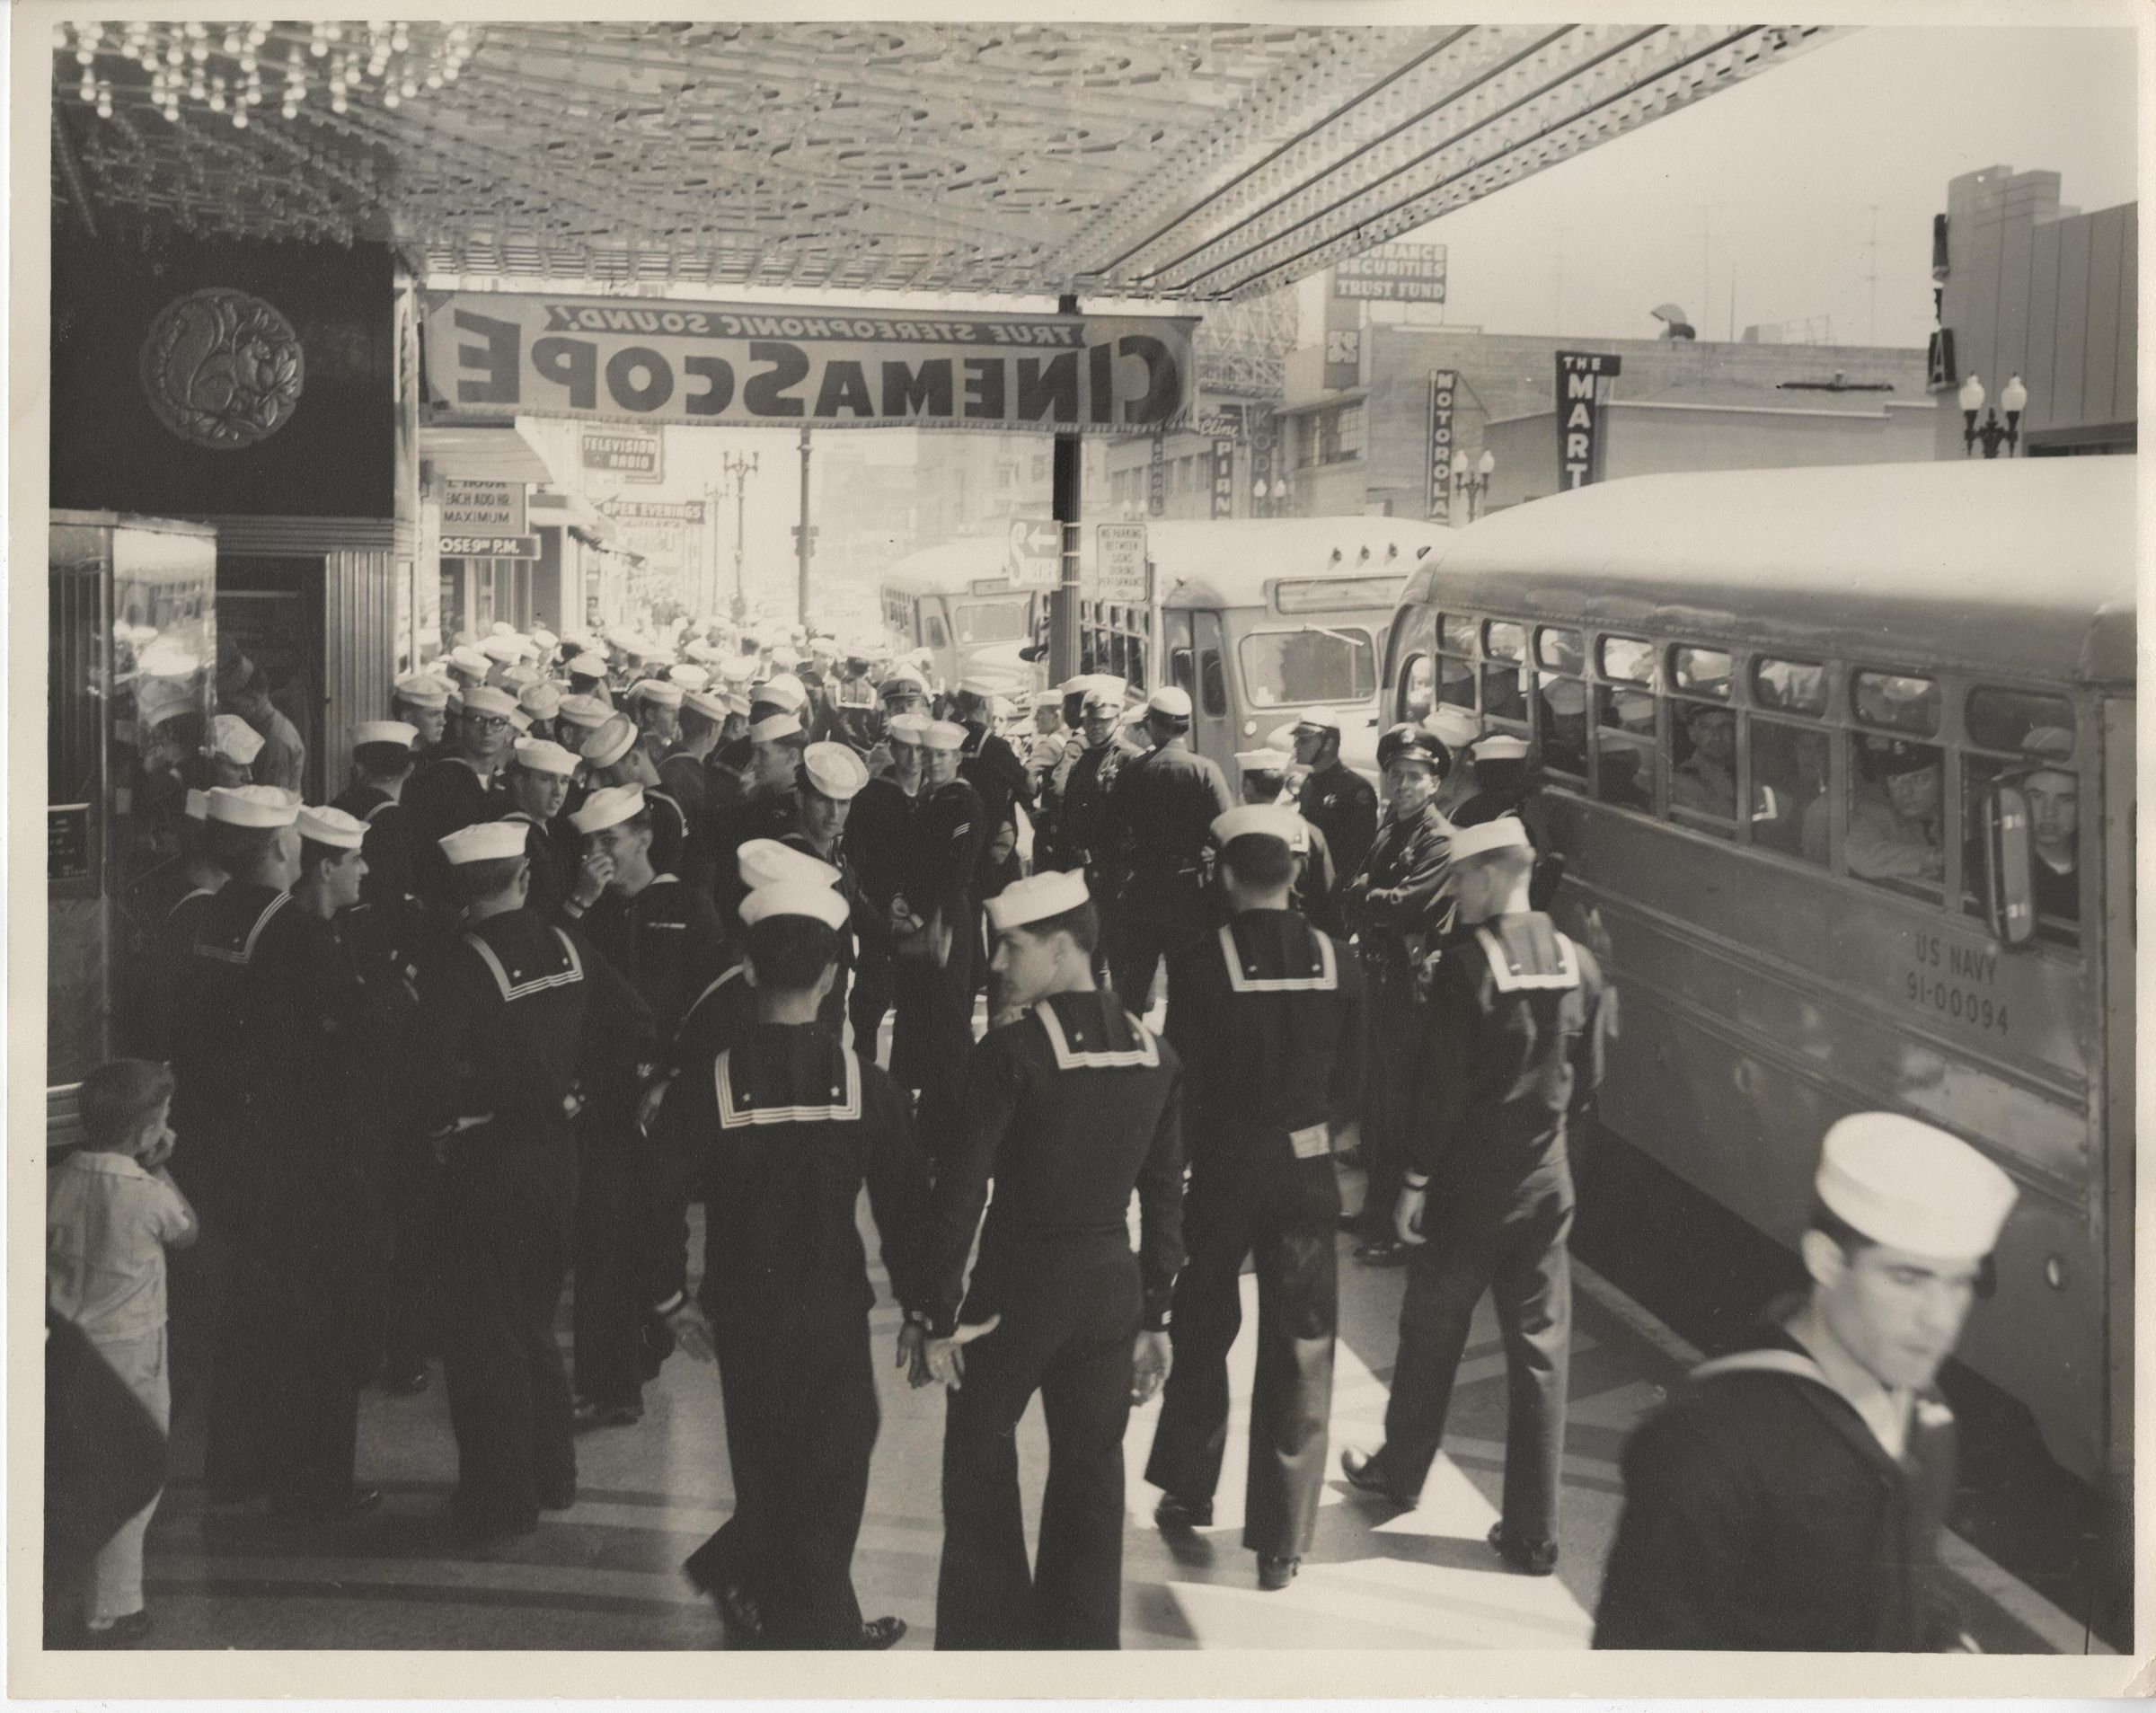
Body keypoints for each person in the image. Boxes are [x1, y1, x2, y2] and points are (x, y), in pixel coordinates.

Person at [1594, 1113, 2018, 1651]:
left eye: (1958, 1285)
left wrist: (1946, 1641)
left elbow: (1902, 1582)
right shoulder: (1707, 1443)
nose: (1939, 1320)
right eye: (1907, 1279)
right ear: (1827, 1261)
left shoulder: (1927, 1416)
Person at [649, 882, 931, 1650]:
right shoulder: (862, 1083)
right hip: (833, 1306)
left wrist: (671, 1296)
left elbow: (653, 1197)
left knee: (772, 1459)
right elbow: (907, 1206)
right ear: (834, 976)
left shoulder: (705, 1085)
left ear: (747, 970)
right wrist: (921, 1306)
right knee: (834, 1460)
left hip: (742, 1309)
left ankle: (770, 1593)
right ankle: (814, 1635)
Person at [909, 870, 1185, 1650]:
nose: (996, 961)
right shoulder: (1155, 1053)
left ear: (1064, 947)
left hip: (1013, 1293)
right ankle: (1080, 1656)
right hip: (1109, 1292)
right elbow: (1166, 1200)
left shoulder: (1011, 1053)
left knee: (979, 1462)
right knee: (1093, 1478)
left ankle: (985, 1650)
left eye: (1013, 945)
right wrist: (1156, 1314)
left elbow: (960, 1192)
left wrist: (935, 1312)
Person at [1341, 818, 1612, 1577]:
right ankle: (1534, 1533)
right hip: (1545, 1185)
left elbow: (1441, 1095)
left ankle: (1400, 1473)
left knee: (1431, 1332)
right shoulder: (1582, 963)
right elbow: (1588, 1085)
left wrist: (1415, 1184)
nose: (1452, 891)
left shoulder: (1467, 968)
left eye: (1461, 878)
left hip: (1467, 1190)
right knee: (1540, 1355)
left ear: (1493, 876)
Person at [1145, 806, 1363, 1592]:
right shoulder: (1340, 959)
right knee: (1302, 1342)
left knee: (1204, 1317)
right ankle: (1282, 1539)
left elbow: (1183, 1084)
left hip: (1228, 1168)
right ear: (1295, 873)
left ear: (1228, 876)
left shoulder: (1203, 962)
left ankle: (1189, 1480)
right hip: (1307, 1168)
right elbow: (1355, 1078)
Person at [417, 820, 653, 1543]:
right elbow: (635, 1019)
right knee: (534, 1320)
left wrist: (446, 1117)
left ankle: (498, 1500)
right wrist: (578, 1087)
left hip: (488, 1160)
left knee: (482, 1333)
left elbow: (424, 1074)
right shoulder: (566, 941)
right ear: (523, 878)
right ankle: (555, 1473)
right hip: (559, 1155)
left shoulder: (460, 964)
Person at [561, 783, 724, 1425]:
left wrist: (675, 1076)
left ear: (644, 838)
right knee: (601, 1228)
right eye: (590, 843)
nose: (600, 854)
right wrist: (578, 900)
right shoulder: (585, 910)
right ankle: (611, 1385)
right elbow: (558, 977)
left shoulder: (687, 905)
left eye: (611, 840)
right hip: (602, 1093)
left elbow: (711, 1004)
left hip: (665, 1092)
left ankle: (648, 1341)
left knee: (659, 1223)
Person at [245, 803, 388, 1517]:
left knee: (317, 1324)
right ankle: (316, 1481)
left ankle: (306, 1474)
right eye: (356, 859)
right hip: (321, 1166)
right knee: (324, 1326)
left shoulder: (312, 933)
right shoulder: (305, 943)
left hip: (312, 1159)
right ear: (327, 866)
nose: (366, 870)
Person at [47, 1059, 198, 1646]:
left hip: (69, 1349)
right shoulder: (144, 1192)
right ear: (143, 1131)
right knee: (136, 1472)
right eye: (161, 1119)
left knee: (81, 1468)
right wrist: (161, 1166)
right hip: (134, 1352)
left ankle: (72, 1591)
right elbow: (187, 1230)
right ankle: (113, 1607)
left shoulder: (57, 1178)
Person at [1339, 724, 1454, 1266]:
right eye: (1395, 775)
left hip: (1409, 993)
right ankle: (1375, 1212)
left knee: (1400, 1107)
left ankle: (1393, 1228)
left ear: (1435, 785)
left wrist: (1368, 897)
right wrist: (1368, 897)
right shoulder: (1393, 826)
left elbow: (1399, 905)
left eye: (1414, 777)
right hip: (1381, 979)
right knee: (1378, 1103)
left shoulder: (1438, 839)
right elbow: (1356, 890)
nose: (1402, 785)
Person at [888, 720, 987, 1156]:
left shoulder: (963, 801)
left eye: (942, 755)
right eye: (929, 755)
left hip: (946, 919)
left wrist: (925, 917)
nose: (933, 762)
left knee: (947, 1023)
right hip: (922, 916)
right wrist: (902, 904)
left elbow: (957, 870)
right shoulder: (931, 798)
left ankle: (951, 1129)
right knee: (922, 1016)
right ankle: (927, 1125)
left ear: (958, 758)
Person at [1101, 686, 1233, 1013]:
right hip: (1190, 891)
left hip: (1143, 888)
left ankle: (1131, 1054)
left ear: (1153, 724)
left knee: (1134, 987)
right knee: (1186, 990)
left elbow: (1115, 831)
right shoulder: (1205, 770)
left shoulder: (1133, 770)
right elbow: (1227, 829)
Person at [773, 743, 876, 1036]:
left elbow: (867, 919)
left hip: (831, 1001)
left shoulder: (838, 860)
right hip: (799, 1007)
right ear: (800, 799)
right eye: (823, 801)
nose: (834, 814)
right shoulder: (787, 859)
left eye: (843, 803)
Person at [402, 684, 519, 906]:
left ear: (508, 733)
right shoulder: (438, 779)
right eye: (477, 720)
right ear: (459, 726)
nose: (487, 730)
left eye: (497, 722)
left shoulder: (504, 786)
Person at [495, 737, 581, 922]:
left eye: (564, 781)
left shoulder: (551, 830)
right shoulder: (515, 835)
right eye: (546, 779)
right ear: (520, 783)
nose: (558, 791)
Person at [1290, 709, 1377, 887]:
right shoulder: (1309, 783)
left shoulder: (1356, 789)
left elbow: (1360, 854)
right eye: (1297, 739)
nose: (1296, 746)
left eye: (1304, 740)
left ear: (1328, 743)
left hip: (1335, 893)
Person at [1846, 738, 1945, 885]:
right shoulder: (1877, 813)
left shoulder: (1961, 816)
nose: (1905, 791)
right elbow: (1858, 852)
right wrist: (1934, 857)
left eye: (1919, 778)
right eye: (1895, 779)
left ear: (1943, 779)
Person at [2010, 728, 2079, 922]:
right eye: (2037, 797)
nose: (2049, 812)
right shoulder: (1993, 858)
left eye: (2066, 799)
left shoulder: (2100, 864)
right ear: (2017, 798)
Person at [218, 656, 307, 797]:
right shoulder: (267, 728)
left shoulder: (275, 739)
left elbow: (267, 802)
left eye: (231, 703)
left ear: (252, 700)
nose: (228, 709)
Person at [392, 675, 451, 766]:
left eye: (443, 713)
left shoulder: (441, 758)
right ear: (408, 718)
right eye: (434, 714)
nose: (443, 722)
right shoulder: (393, 760)